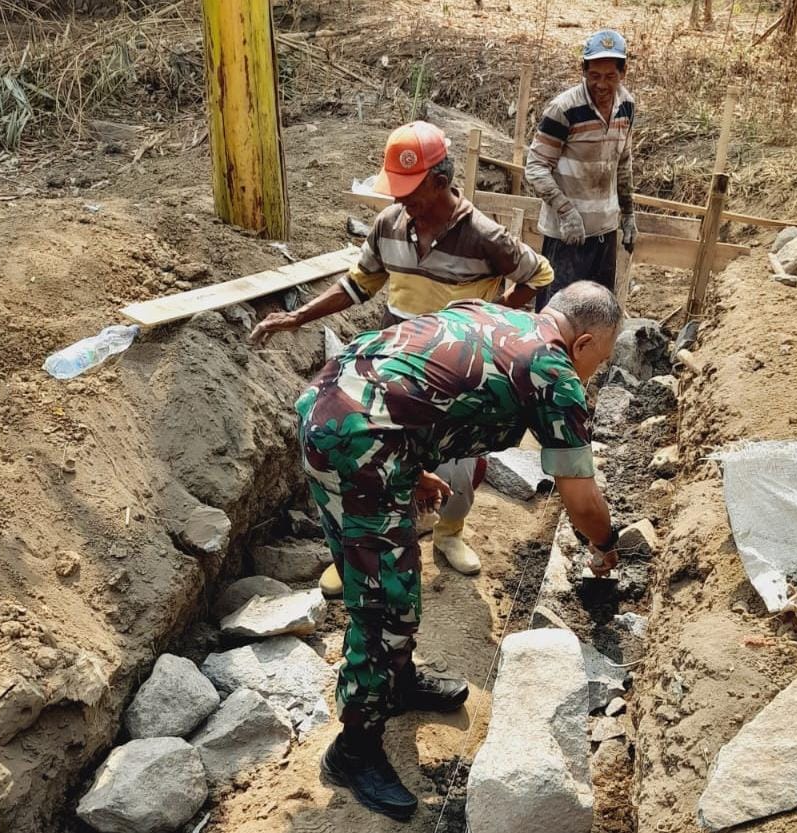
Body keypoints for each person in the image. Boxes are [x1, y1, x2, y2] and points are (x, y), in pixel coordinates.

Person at [300, 283, 624, 821]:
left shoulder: (498, 317)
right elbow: (583, 500)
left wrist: (411, 467)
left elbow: (412, 380)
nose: (593, 375)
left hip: (333, 411)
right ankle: (352, 752)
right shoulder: (554, 372)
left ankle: (396, 683)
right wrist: (607, 544)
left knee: (379, 580)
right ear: (584, 342)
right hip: (359, 447)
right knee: (386, 606)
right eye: (601, 361)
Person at [251, 121, 555, 583]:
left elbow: (540, 275)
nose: (400, 200)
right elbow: (358, 284)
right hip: (394, 367)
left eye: (411, 190)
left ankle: (450, 532)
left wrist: (491, 320)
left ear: (441, 181)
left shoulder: (485, 237)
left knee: (458, 464)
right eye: (396, 189)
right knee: (376, 458)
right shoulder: (388, 226)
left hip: (459, 372)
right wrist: (297, 317)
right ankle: (363, 547)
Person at [525, 28, 636, 310]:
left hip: (604, 232)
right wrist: (566, 211)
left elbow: (622, 162)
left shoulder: (626, 107)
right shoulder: (564, 109)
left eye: (610, 76)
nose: (602, 84)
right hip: (567, 236)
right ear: (583, 71)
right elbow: (536, 166)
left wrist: (628, 213)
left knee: (596, 315)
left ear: (622, 73)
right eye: (594, 75)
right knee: (557, 316)